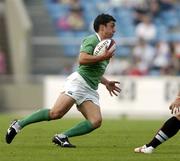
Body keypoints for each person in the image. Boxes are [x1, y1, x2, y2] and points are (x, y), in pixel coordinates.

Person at [5, 13, 121, 148]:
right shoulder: (92, 40)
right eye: (112, 26)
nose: (114, 30)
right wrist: (102, 57)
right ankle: (18, 124)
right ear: (102, 27)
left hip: (90, 88)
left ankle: (62, 136)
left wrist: (106, 82)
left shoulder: (107, 47)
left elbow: (95, 70)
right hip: (79, 82)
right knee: (56, 113)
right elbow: (82, 60)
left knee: (96, 121)